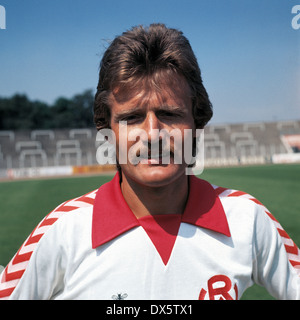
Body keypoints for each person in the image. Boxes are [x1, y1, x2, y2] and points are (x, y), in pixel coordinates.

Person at [0, 23, 299, 300]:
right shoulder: (63, 230)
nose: (152, 134)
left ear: (196, 123)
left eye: (168, 114)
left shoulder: (249, 219)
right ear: (108, 131)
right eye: (132, 118)